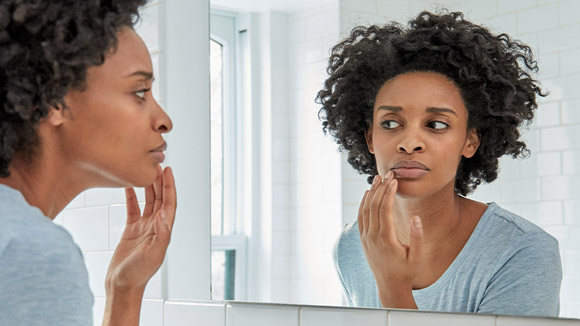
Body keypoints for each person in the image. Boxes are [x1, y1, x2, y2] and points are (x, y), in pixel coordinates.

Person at [317, 11, 562, 317]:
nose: (409, 143)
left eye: (436, 124)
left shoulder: (523, 251)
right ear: (369, 139)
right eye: (390, 123)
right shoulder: (351, 247)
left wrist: (393, 285)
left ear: (470, 141)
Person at [0, 0, 176, 325]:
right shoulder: (32, 252)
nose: (164, 121)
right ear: (54, 100)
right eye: (140, 92)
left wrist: (124, 290)